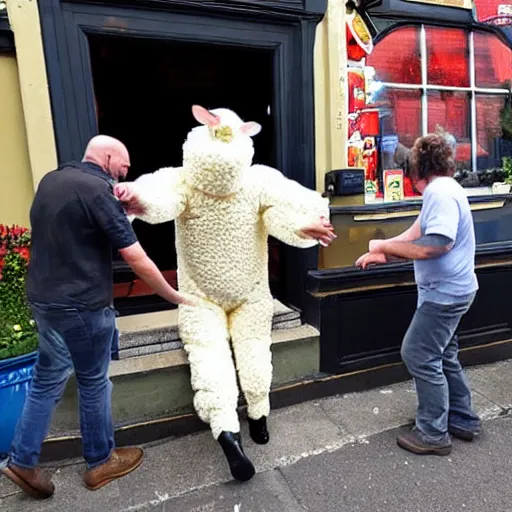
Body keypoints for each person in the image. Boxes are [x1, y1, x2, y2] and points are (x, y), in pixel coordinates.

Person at [115, 105, 336, 482]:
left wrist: (137, 199)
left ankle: (228, 430)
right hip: (238, 291)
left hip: (205, 293)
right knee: (252, 350)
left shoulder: (187, 181)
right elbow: (284, 212)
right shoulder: (256, 181)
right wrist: (307, 223)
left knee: (211, 359)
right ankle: (258, 418)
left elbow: (160, 198)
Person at [0, 135, 191, 499]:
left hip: (44, 300)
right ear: (106, 156)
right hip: (83, 306)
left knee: (46, 380)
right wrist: (174, 296)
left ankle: (22, 460)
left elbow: (80, 231)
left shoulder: (52, 180)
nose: (126, 172)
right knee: (93, 382)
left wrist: (126, 210)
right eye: (124, 165)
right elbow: (136, 257)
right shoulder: (97, 190)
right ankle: (101, 460)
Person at [356, 133, 480, 456]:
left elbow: (437, 244)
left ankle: (433, 431)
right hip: (455, 290)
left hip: (445, 295)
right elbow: (415, 235)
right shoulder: (446, 189)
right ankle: (463, 418)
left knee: (418, 354)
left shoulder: (439, 193)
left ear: (416, 168)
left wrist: (383, 246)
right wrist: (384, 251)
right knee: (444, 353)